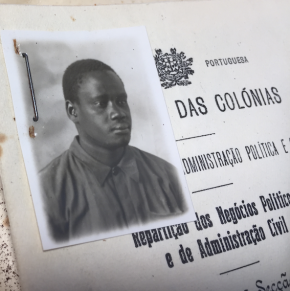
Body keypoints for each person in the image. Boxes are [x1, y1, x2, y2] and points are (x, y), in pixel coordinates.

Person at [40, 59, 187, 242]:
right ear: (72, 111)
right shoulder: (46, 192)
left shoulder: (168, 175)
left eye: (121, 101)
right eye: (101, 104)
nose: (118, 113)